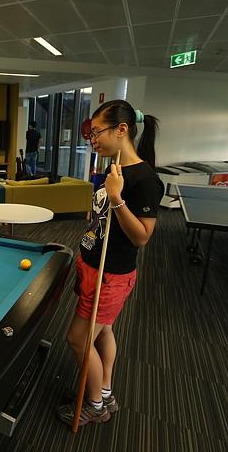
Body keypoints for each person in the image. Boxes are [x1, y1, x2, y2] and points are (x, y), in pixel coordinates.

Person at [57, 100, 164, 426]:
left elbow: (142, 237)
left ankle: (94, 406)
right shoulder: (113, 168)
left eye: (97, 133)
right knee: (103, 333)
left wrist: (117, 198)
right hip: (93, 266)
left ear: (122, 130)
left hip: (111, 275)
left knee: (78, 339)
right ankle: (103, 392)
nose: (93, 140)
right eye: (91, 135)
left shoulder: (145, 180)